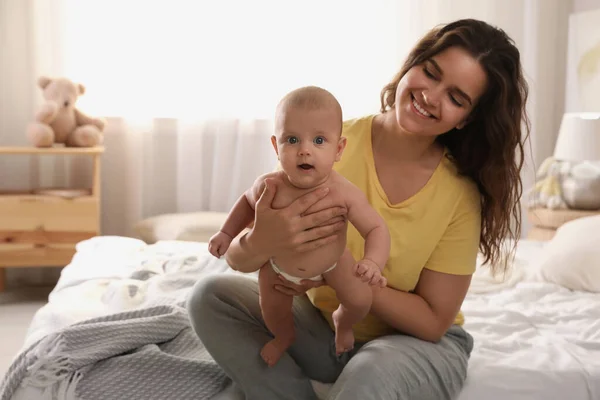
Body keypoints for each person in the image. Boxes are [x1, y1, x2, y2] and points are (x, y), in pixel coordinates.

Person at [188, 18, 529, 400]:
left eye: (456, 97)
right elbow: (241, 255)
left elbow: (433, 322)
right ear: (412, 64)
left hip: (411, 344)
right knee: (208, 296)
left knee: (369, 372)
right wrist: (257, 242)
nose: (431, 96)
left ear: (467, 118)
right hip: (322, 332)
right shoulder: (326, 142)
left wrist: (339, 275)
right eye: (430, 73)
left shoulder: (460, 193)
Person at [207, 86, 390, 366]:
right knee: (273, 310)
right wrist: (226, 232)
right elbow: (246, 202)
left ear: (338, 149)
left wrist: (373, 262)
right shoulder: (269, 186)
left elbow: (376, 228)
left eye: (319, 140)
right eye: (292, 139)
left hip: (334, 262)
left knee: (360, 299)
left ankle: (344, 321)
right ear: (275, 146)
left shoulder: (344, 192)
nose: (304, 151)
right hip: (278, 267)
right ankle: (283, 337)